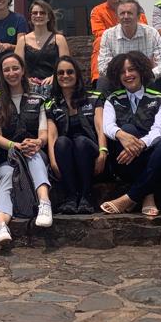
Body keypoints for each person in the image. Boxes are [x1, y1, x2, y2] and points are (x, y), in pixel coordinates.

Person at [99, 51, 161, 217]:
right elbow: (107, 126)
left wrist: (141, 144)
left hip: (155, 159)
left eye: (132, 69)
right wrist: (121, 135)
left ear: (141, 71)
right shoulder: (112, 99)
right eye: (122, 72)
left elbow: (159, 130)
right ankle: (147, 195)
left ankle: (131, 197)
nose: (127, 75)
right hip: (125, 162)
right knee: (127, 129)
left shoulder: (160, 99)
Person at [0, 54, 54, 248]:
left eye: (15, 68)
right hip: (7, 158)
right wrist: (15, 146)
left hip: (35, 153)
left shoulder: (38, 100)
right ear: (1, 73)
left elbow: (44, 132)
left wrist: (36, 142)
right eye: (6, 69)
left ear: (23, 70)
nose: (11, 73)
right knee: (7, 176)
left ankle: (44, 203)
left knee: (31, 154)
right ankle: (1, 224)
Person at [45, 56, 105, 215]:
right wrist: (53, 161)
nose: (65, 76)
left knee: (80, 141)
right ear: (56, 77)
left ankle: (86, 195)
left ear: (77, 74)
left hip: (91, 152)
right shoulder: (52, 104)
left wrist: (103, 152)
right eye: (61, 73)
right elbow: (52, 135)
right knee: (62, 142)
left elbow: (101, 127)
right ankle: (71, 196)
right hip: (66, 155)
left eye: (70, 72)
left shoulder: (94, 98)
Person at [97, 0, 161, 95]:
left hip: (147, 80)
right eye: (122, 13)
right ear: (117, 17)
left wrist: (146, 75)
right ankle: (101, 109)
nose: (126, 17)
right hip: (120, 81)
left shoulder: (152, 33)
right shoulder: (108, 35)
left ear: (138, 16)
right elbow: (103, 68)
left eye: (130, 13)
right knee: (103, 81)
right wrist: (124, 75)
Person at [90, 0, 147, 84]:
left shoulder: (135, 7)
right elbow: (98, 32)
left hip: (134, 42)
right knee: (99, 41)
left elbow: (143, 27)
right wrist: (120, 31)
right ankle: (98, 79)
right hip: (111, 45)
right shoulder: (97, 11)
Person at [15, 0, 70, 96]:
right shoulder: (22, 41)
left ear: (48, 17)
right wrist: (26, 79)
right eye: (35, 13)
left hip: (55, 86)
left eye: (42, 13)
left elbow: (66, 65)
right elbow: (17, 66)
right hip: (30, 89)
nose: (38, 15)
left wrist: (55, 77)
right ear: (31, 17)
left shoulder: (59, 39)